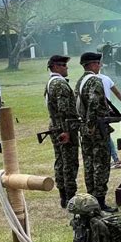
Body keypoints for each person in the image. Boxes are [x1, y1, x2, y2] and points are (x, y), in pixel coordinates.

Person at [75, 52, 118, 213]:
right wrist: (92, 124)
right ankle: (100, 201)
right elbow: (94, 103)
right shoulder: (95, 81)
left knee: (89, 164)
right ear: (92, 64)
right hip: (97, 130)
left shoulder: (80, 82)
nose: (99, 66)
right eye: (98, 63)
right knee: (101, 164)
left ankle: (92, 198)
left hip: (85, 129)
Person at [44, 55, 79, 208]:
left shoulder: (51, 83)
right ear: (56, 67)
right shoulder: (60, 84)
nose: (66, 68)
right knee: (69, 163)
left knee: (60, 161)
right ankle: (70, 197)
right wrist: (67, 131)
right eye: (63, 65)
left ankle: (63, 196)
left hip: (56, 127)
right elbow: (64, 110)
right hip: (64, 129)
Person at [96, 71, 121, 169]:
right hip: (107, 112)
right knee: (106, 135)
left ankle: (115, 159)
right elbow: (117, 93)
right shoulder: (106, 78)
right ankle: (114, 159)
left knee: (105, 136)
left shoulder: (88, 80)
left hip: (97, 114)